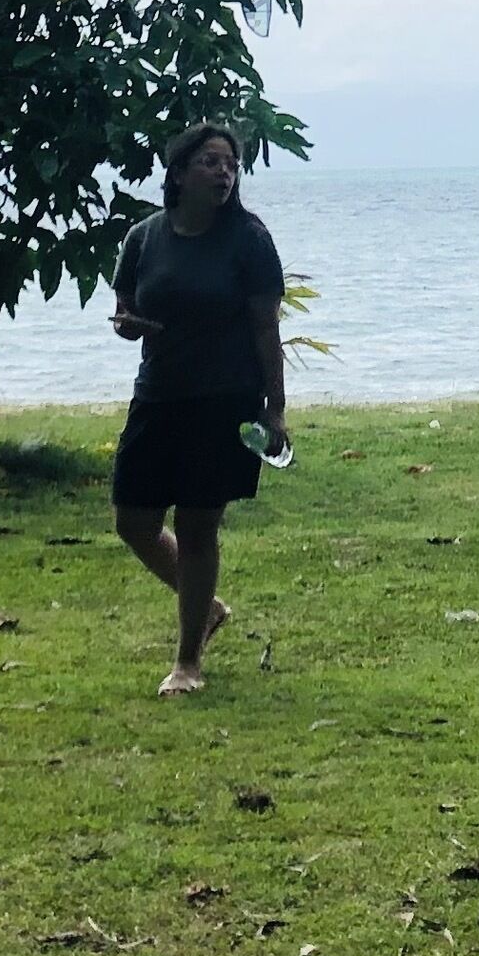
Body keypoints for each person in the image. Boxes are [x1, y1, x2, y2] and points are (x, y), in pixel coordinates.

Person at [108, 121, 291, 696]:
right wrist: (128, 324)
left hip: (224, 400)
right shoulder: (144, 237)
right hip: (158, 394)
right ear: (179, 173)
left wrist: (276, 409)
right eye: (211, 162)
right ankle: (207, 607)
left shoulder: (249, 239)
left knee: (196, 525)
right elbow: (125, 307)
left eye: (231, 165)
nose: (223, 173)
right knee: (134, 521)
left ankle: (188, 662)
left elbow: (266, 328)